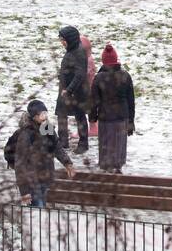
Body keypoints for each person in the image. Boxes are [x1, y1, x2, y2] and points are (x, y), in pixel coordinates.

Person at [10, 100, 75, 208]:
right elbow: (20, 164)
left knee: (41, 210)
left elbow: (56, 147)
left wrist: (67, 163)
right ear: (34, 116)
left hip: (45, 177)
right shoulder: (26, 134)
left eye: (46, 113)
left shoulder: (47, 128)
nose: (45, 116)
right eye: (42, 114)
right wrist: (24, 191)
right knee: (38, 211)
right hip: (32, 181)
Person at [89, 44, 136, 174]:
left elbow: (94, 101)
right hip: (122, 117)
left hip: (106, 117)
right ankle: (118, 167)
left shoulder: (98, 78)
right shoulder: (125, 76)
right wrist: (131, 121)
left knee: (106, 145)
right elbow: (131, 101)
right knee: (119, 145)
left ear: (103, 61)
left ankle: (106, 168)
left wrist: (92, 117)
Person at [55, 25, 90, 153]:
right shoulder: (71, 49)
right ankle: (63, 141)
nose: (62, 43)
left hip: (76, 92)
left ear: (70, 39)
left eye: (63, 40)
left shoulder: (79, 52)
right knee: (61, 114)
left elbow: (80, 74)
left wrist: (69, 90)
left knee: (80, 116)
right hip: (66, 89)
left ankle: (83, 143)